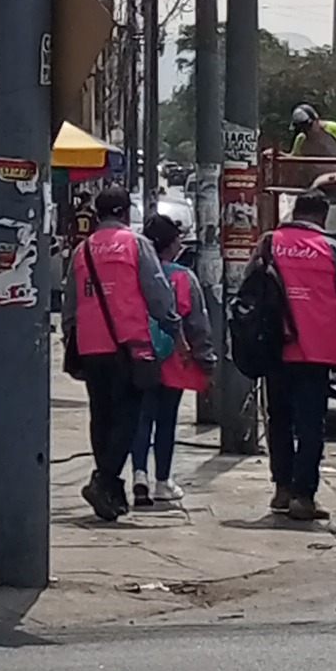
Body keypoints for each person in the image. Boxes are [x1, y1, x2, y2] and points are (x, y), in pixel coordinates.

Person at [253, 187, 336, 523]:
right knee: (310, 426)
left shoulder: (269, 243)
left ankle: (282, 488)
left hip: (275, 348)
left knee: (278, 420)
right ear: (323, 216)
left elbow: (250, 290)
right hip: (316, 352)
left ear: (295, 212)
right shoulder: (333, 250)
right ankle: (303, 496)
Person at [65, 181, 181, 524]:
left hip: (91, 346)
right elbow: (157, 292)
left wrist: (71, 337)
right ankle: (103, 481)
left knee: (101, 416)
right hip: (130, 344)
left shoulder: (83, 250)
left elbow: (70, 304)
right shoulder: (136, 244)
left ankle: (111, 490)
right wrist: (172, 324)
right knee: (129, 417)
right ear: (126, 213)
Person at [131, 210, 215, 510]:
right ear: (169, 244)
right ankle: (163, 481)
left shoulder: (134, 274)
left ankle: (139, 475)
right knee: (166, 421)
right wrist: (205, 359)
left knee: (141, 419)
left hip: (139, 354)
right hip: (175, 359)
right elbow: (197, 324)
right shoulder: (183, 277)